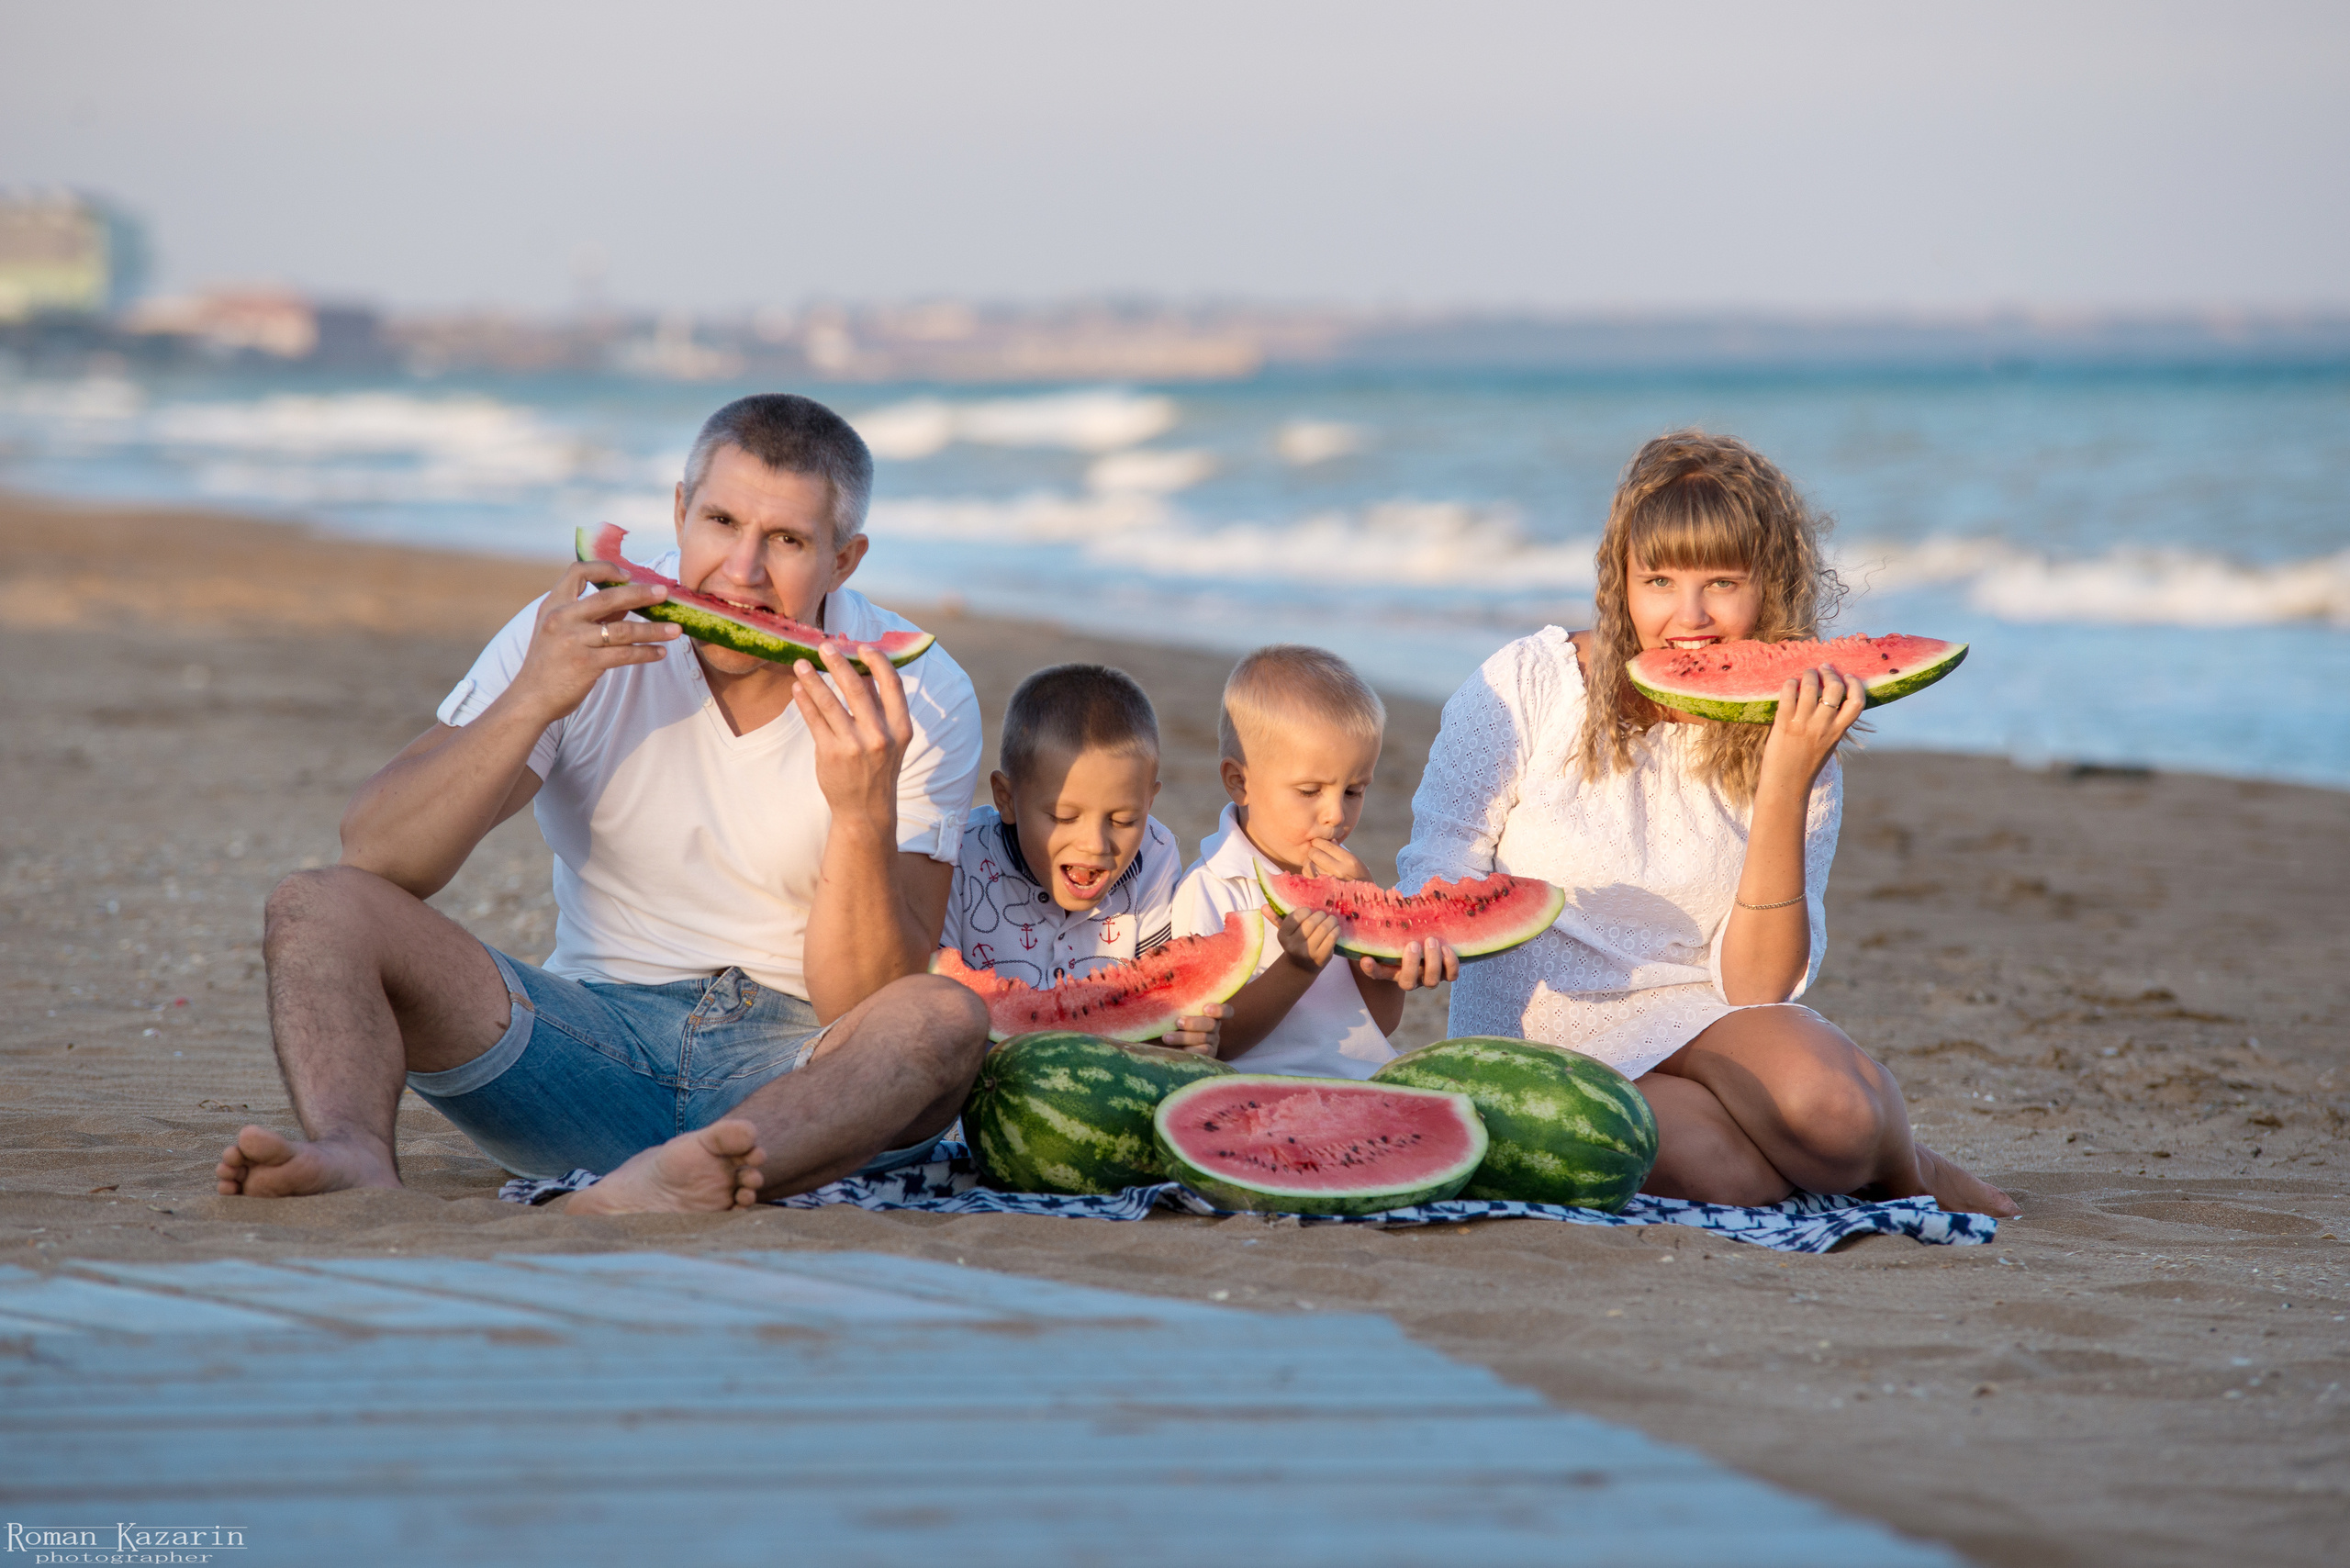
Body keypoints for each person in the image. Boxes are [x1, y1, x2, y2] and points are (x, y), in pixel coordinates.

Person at [216, 393, 991, 1214]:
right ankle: (351, 1151)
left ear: (845, 560)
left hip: (802, 1077)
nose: (742, 571)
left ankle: (690, 1171)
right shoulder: (580, 624)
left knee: (941, 1017)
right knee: (316, 903)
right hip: (582, 1052)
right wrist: (533, 697)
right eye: (721, 522)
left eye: (788, 540)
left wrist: (862, 811)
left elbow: (865, 1002)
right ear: (680, 510)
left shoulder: (920, 694)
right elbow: (378, 855)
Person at [1396, 431, 2015, 1215]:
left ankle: (1910, 1171)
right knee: (1730, 1177)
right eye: (1658, 580)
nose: (1688, 617)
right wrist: (1429, 922)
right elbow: (1444, 848)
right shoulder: (1529, 683)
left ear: (1771, 588)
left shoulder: (1801, 732)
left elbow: (1755, 986)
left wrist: (1786, 780)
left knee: (1838, 1116)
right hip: (1541, 1021)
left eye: (1722, 581)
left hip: (1704, 1009)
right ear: (1619, 580)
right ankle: (1824, 1158)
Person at [1170, 644, 1455, 1077]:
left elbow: (1380, 1024)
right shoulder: (1210, 888)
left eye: (1354, 791)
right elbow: (1214, 1043)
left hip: (1360, 1083)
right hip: (1257, 1093)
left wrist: (1375, 917)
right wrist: (1298, 966)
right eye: (1309, 791)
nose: (1336, 815)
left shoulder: (1349, 881)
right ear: (1239, 782)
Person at [942, 663, 1222, 1052]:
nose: (1094, 844)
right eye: (1063, 817)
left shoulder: (1154, 852)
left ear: (1149, 802)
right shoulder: (960, 855)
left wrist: (1182, 1034)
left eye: (1123, 820)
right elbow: (933, 997)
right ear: (1006, 799)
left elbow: (1160, 995)